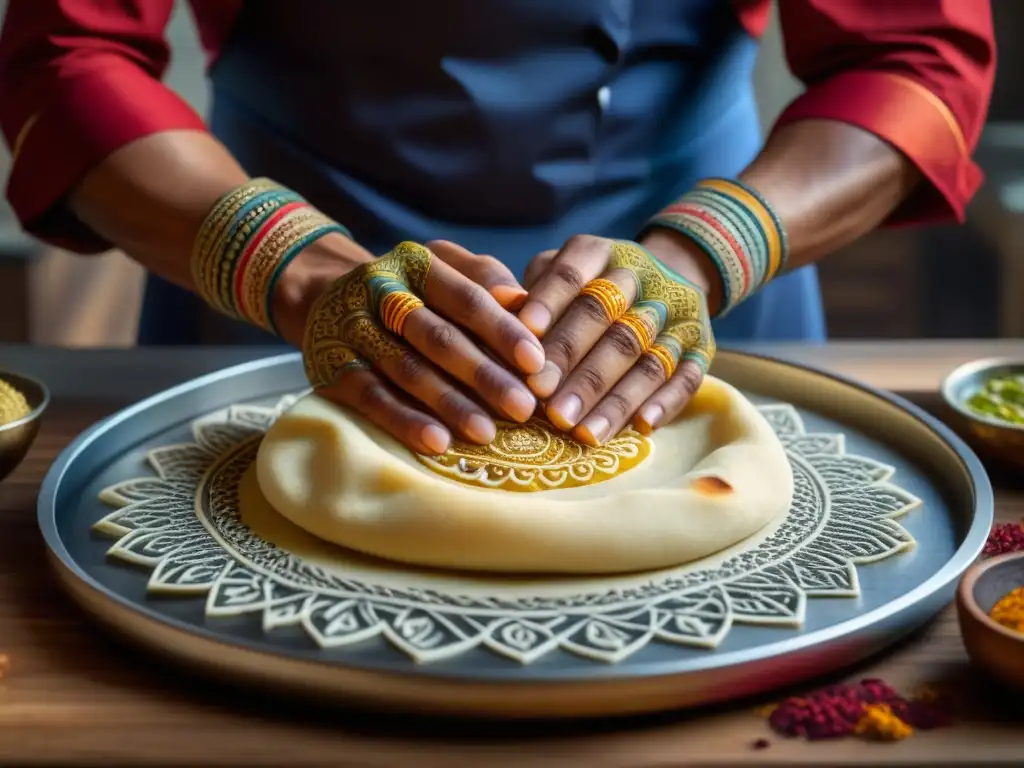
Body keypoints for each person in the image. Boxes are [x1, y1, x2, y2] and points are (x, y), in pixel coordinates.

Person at [0, 1, 995, 457]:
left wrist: (703, 251)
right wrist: (295, 272)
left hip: (697, 262)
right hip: (271, 244)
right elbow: (66, 54)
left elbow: (915, 53)